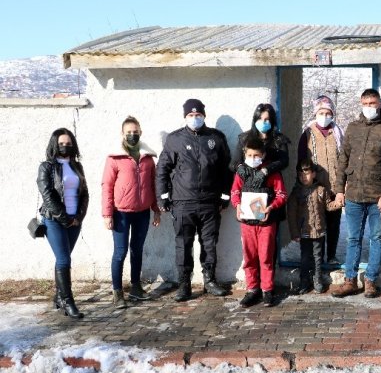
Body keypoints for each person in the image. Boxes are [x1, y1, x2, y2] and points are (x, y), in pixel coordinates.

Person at [156, 99, 232, 302]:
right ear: (185, 117)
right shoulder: (175, 139)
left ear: (204, 116)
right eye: (190, 115)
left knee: (209, 244)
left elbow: (226, 170)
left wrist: (225, 197)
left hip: (209, 203)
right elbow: (162, 169)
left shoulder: (216, 138)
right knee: (183, 245)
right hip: (183, 203)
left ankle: (210, 281)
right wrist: (163, 198)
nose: (195, 118)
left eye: (198, 115)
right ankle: (184, 284)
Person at [332, 88, 381, 299]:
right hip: (353, 193)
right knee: (353, 238)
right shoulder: (353, 128)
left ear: (379, 104)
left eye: (373, 103)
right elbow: (342, 160)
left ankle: (371, 280)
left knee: (377, 238)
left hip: (377, 196)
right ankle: (350, 280)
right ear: (361, 104)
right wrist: (338, 190)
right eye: (365, 103)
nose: (369, 107)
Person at [102, 116, 161, 309]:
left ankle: (136, 287)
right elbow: (107, 186)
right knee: (120, 252)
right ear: (122, 134)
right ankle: (117, 292)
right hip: (121, 213)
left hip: (142, 212)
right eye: (129, 132)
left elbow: (153, 185)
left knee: (137, 250)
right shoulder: (114, 158)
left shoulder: (147, 158)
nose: (132, 135)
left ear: (140, 132)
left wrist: (156, 210)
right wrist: (107, 214)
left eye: (135, 131)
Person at [37, 128, 89, 319]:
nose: (65, 147)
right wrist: (65, 218)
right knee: (64, 260)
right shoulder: (46, 167)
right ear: (54, 144)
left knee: (63, 258)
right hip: (54, 220)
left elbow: (85, 193)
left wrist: (79, 216)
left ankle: (59, 296)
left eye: (68, 143)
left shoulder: (77, 166)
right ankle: (68, 302)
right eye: (61, 143)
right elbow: (48, 195)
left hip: (75, 221)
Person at [231, 134, 287, 307]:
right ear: (245, 154)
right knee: (249, 257)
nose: (253, 159)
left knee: (265, 257)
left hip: (266, 223)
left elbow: (282, 194)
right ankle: (252, 289)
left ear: (262, 155)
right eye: (250, 155)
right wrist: (238, 206)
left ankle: (267, 290)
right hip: (247, 224)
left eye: (256, 156)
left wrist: (271, 207)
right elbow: (235, 192)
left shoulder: (272, 173)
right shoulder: (241, 173)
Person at [296, 95, 345, 266]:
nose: (324, 116)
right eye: (321, 112)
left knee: (334, 224)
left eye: (328, 113)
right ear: (316, 113)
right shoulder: (307, 135)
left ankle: (331, 255)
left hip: (334, 188)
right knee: (317, 224)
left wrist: (342, 187)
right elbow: (301, 162)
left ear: (332, 114)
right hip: (315, 188)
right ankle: (317, 261)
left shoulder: (338, 133)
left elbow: (345, 160)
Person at [287, 158, 342, 294]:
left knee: (318, 256)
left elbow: (328, 206)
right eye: (300, 174)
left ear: (313, 174)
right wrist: (294, 232)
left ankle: (317, 279)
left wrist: (338, 203)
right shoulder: (296, 193)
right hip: (304, 231)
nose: (303, 177)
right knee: (305, 257)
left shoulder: (321, 190)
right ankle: (304, 280)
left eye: (306, 173)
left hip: (319, 230)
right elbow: (291, 214)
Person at [231, 103, 291, 178]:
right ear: (255, 119)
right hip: (248, 182)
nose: (263, 122)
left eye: (266, 119)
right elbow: (234, 163)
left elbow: (284, 161)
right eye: (260, 118)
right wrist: (240, 168)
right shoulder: (245, 138)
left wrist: (267, 169)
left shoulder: (279, 139)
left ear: (272, 121)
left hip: (271, 182)